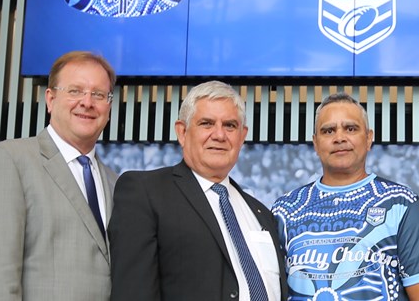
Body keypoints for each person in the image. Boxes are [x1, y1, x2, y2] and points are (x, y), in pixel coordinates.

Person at [0, 51, 118, 301]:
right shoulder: (8, 160)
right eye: (75, 91)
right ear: (50, 99)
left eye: (98, 94)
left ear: (109, 107)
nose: (87, 102)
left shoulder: (115, 182)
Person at [108, 80, 287, 300]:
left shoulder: (261, 214)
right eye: (206, 123)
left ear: (242, 136)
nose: (219, 135)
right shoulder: (146, 192)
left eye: (230, 125)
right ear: (182, 132)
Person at [270, 93, 419, 300]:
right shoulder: (285, 210)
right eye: (328, 131)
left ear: (368, 138)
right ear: (316, 143)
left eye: (350, 129)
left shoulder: (401, 203)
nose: (339, 138)